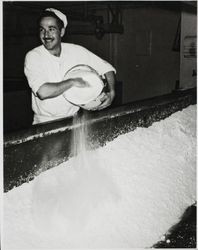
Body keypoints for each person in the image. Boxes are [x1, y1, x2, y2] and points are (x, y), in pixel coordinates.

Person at [24, 8, 116, 124]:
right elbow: (43, 92)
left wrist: (112, 92)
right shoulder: (34, 56)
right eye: (42, 30)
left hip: (74, 120)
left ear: (61, 32)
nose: (46, 34)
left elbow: (107, 68)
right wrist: (72, 82)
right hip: (45, 122)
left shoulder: (76, 51)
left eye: (51, 29)